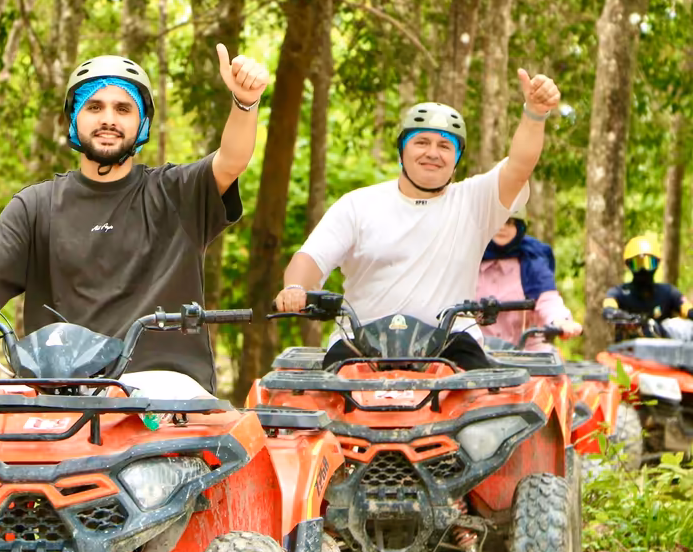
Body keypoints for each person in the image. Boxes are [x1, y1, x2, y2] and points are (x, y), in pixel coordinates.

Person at [0, 45, 269, 397]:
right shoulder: (36, 205)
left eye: (123, 108)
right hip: (58, 387)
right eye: (94, 107)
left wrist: (244, 103)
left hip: (165, 389)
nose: (108, 119)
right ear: (74, 118)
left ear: (142, 122)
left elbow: (231, 160)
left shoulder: (178, 193)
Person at [274, 68, 561, 370]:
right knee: (318, 404)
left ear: (456, 160)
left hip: (452, 344)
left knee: (487, 402)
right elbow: (310, 259)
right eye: (421, 142)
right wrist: (295, 289)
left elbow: (519, 166)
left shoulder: (475, 201)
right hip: (360, 341)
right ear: (402, 150)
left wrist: (535, 114)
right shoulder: (358, 204)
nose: (432, 153)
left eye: (445, 146)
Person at [476, 206, 582, 351]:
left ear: (520, 227)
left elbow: (547, 298)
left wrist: (560, 321)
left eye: (510, 222)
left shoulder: (532, 257)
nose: (502, 227)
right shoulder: (467, 257)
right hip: (475, 353)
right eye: (497, 221)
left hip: (526, 352)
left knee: (555, 371)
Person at [603, 235, 693, 341]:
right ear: (629, 265)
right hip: (627, 352)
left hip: (665, 352)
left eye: (649, 263)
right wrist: (634, 320)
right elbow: (608, 310)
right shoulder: (619, 293)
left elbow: (688, 309)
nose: (643, 269)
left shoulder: (668, 292)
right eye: (637, 264)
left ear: (657, 263)